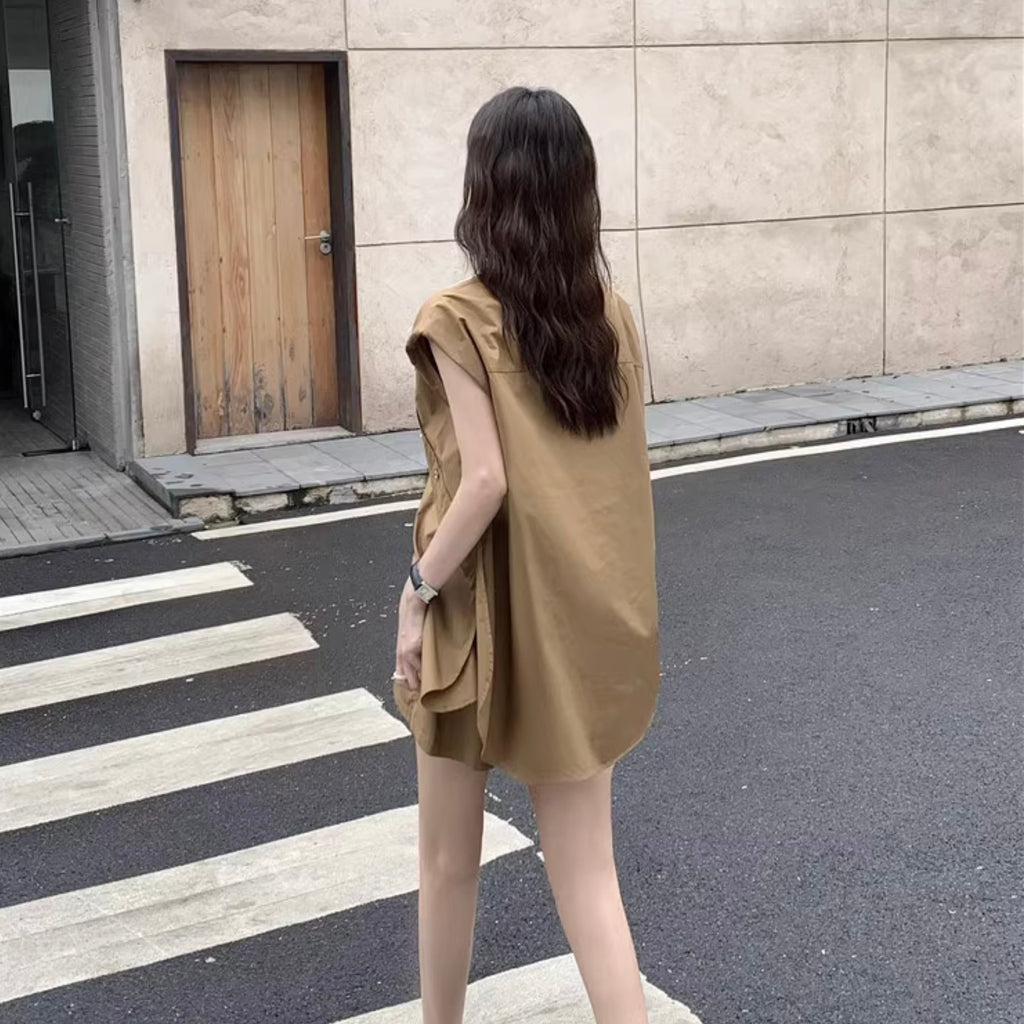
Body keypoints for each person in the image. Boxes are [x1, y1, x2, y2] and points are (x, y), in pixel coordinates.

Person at [391, 86, 660, 1024]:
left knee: (446, 862)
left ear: (485, 189)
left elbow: (484, 482)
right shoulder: (608, 317)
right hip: (583, 617)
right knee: (589, 876)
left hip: (473, 616)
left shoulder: (456, 318)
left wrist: (417, 593)